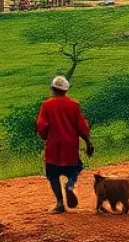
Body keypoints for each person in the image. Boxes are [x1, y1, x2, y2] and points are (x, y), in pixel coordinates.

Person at [36, 75, 94, 213]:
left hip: (53, 146)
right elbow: (82, 126)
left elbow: (41, 125)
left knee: (53, 175)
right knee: (75, 169)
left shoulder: (46, 105)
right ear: (66, 90)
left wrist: (45, 137)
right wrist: (88, 142)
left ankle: (60, 203)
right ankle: (70, 185)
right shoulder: (74, 105)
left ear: (52, 89)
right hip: (70, 146)